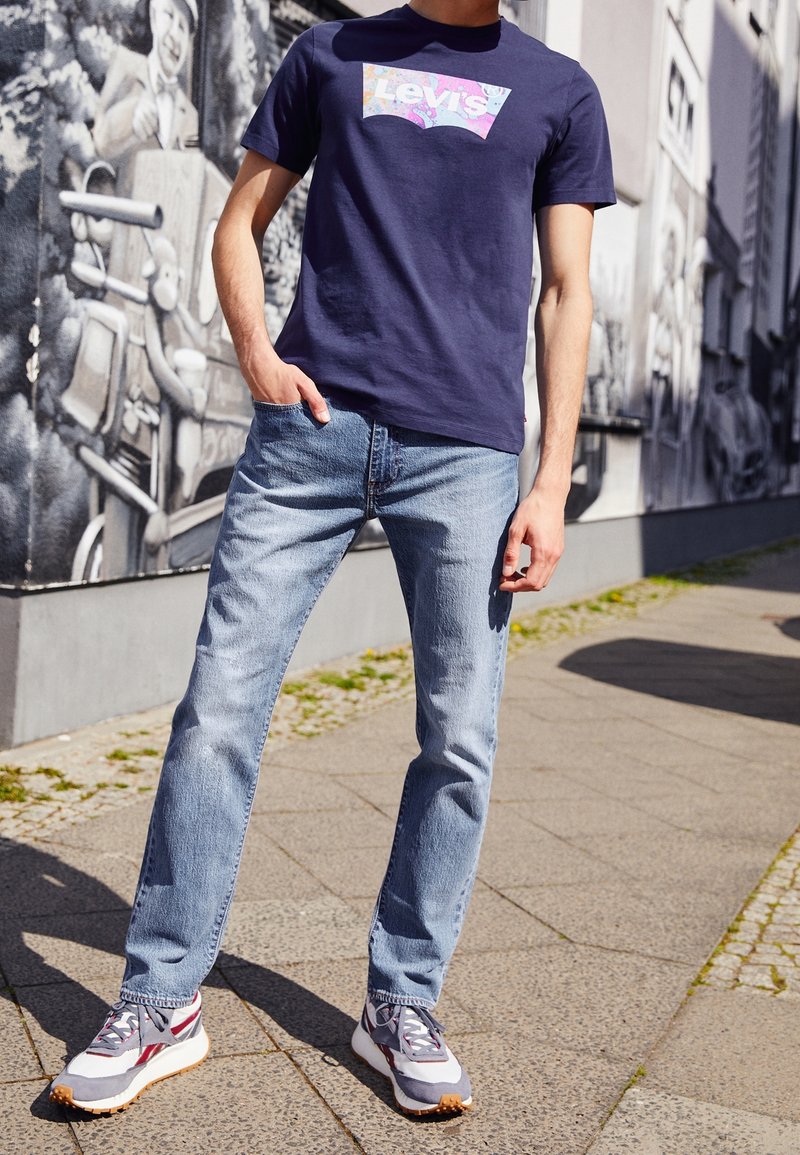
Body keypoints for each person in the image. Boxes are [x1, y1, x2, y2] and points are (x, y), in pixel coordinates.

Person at [50, 0, 615, 1119]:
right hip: (309, 437)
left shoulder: (560, 93)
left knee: (456, 736)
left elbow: (565, 294)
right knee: (217, 711)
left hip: (464, 459)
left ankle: (400, 999)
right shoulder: (330, 53)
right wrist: (253, 353)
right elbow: (237, 221)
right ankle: (163, 1001)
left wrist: (548, 485)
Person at [93, 0, 199, 184]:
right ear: (153, 18)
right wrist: (131, 116)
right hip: (122, 210)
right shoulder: (125, 65)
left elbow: (192, 177)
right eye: (169, 15)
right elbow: (98, 140)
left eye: (182, 27)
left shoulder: (190, 115)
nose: (175, 34)